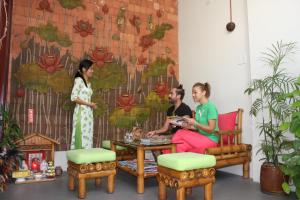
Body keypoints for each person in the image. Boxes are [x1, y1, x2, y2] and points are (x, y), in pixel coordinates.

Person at [172, 82, 219, 153]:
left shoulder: (210, 107)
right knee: (180, 146)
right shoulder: (198, 108)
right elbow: (197, 127)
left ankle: (166, 148)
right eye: (192, 93)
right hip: (200, 138)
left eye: (195, 92)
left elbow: (211, 129)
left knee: (179, 133)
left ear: (203, 92)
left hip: (210, 140)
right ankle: (183, 163)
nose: (193, 95)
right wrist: (186, 125)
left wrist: (195, 123)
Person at [70, 59, 97, 149]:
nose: (92, 71)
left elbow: (85, 98)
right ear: (84, 69)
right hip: (81, 113)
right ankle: (80, 160)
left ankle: (87, 161)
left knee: (88, 137)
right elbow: (73, 97)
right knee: (81, 136)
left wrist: (91, 105)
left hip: (88, 114)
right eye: (91, 69)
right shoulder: (78, 80)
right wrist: (89, 104)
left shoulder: (88, 83)